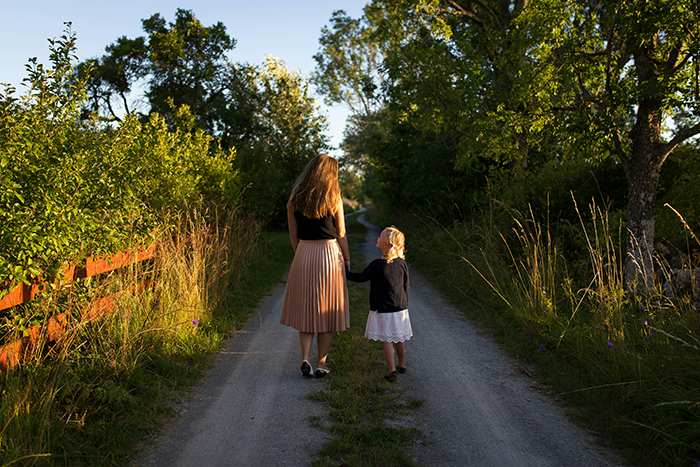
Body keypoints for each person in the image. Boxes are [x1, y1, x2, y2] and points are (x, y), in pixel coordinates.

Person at [280, 154, 350, 378]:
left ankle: (305, 358)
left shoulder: (294, 198)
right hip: (329, 254)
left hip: (304, 253)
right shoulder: (334, 197)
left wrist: (300, 253)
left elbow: (293, 233)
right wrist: (347, 259)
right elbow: (341, 233)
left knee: (306, 310)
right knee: (326, 310)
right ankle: (321, 364)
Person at [345, 226, 412, 381]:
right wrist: (404, 303)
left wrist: (344, 272)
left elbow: (361, 278)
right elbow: (405, 285)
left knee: (387, 340)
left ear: (386, 244)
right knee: (399, 338)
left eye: (380, 237)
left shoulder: (377, 265)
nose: (377, 238)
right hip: (400, 308)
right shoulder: (402, 263)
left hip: (383, 309)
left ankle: (391, 371)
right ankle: (402, 365)